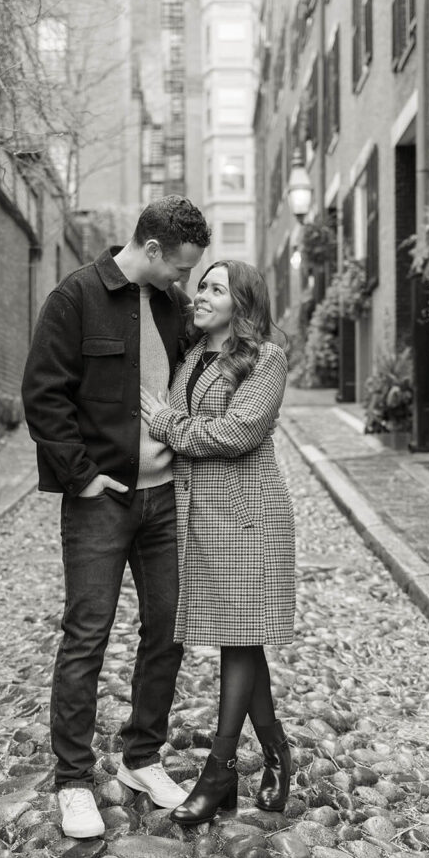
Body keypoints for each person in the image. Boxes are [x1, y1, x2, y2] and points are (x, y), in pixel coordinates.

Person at [21, 195, 211, 839]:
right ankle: (73, 780)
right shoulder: (74, 298)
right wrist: (81, 476)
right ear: (152, 249)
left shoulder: (171, 307)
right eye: (180, 268)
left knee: (168, 629)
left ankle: (142, 758)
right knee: (87, 634)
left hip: (165, 501)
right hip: (102, 502)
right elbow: (43, 395)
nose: (183, 282)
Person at [140, 259, 295, 825]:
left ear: (242, 303)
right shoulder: (188, 361)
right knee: (242, 639)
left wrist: (168, 429)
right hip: (199, 515)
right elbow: (184, 420)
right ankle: (276, 751)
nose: (201, 294)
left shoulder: (266, 359)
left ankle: (219, 768)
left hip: (247, 515)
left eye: (215, 288)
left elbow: (236, 434)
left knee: (240, 640)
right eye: (200, 285)